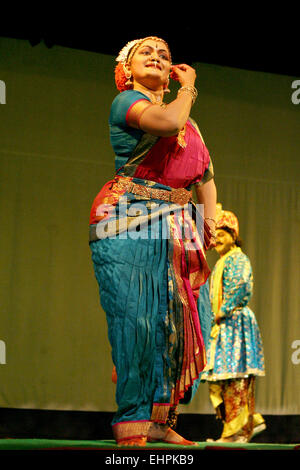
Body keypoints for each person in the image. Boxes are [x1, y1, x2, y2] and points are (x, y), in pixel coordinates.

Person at [89, 36, 217, 447]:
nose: (158, 58)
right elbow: (167, 124)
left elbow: (207, 175)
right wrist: (189, 88)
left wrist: (209, 218)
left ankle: (161, 420)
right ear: (126, 70)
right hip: (127, 218)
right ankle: (132, 421)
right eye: (146, 53)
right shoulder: (127, 103)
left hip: (178, 225)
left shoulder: (189, 121)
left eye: (164, 54)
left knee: (174, 327)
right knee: (137, 323)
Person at [201, 204, 266, 443]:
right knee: (221, 379)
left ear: (234, 236)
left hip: (234, 322)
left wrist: (223, 311)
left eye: (222, 234)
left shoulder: (237, 259)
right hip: (223, 325)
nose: (217, 239)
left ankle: (238, 430)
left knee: (235, 377)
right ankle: (241, 425)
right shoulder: (222, 261)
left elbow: (239, 286)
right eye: (215, 235)